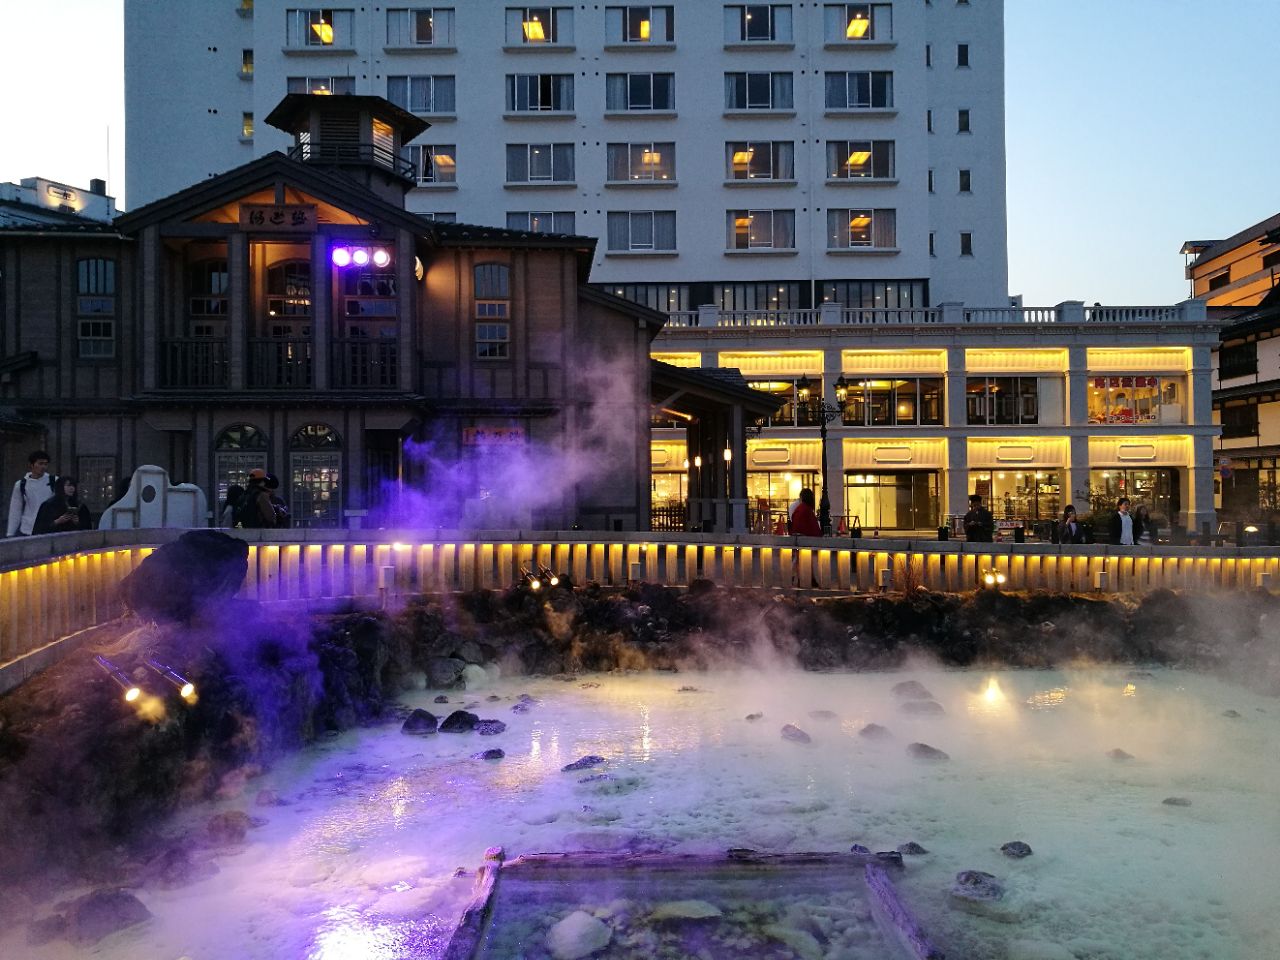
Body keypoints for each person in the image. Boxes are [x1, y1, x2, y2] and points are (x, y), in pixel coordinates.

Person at [6, 450, 56, 537]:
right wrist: (10, 533)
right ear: (31, 465)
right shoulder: (21, 484)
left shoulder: (54, 481)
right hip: (27, 529)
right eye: (40, 464)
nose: (43, 467)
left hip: (48, 529)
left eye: (45, 464)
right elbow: (15, 510)